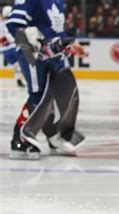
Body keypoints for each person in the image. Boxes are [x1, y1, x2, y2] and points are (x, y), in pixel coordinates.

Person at [6, 0, 87, 160]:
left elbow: (55, 31)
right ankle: (21, 140)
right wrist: (30, 37)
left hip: (55, 54)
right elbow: (14, 24)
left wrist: (71, 42)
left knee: (64, 91)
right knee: (39, 94)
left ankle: (55, 136)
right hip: (33, 53)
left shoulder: (58, 2)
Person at [0, 5, 25, 87]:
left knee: (16, 65)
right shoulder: (10, 23)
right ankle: (20, 79)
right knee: (21, 64)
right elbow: (10, 36)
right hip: (13, 47)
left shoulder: (1, 23)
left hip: (4, 49)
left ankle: (18, 79)